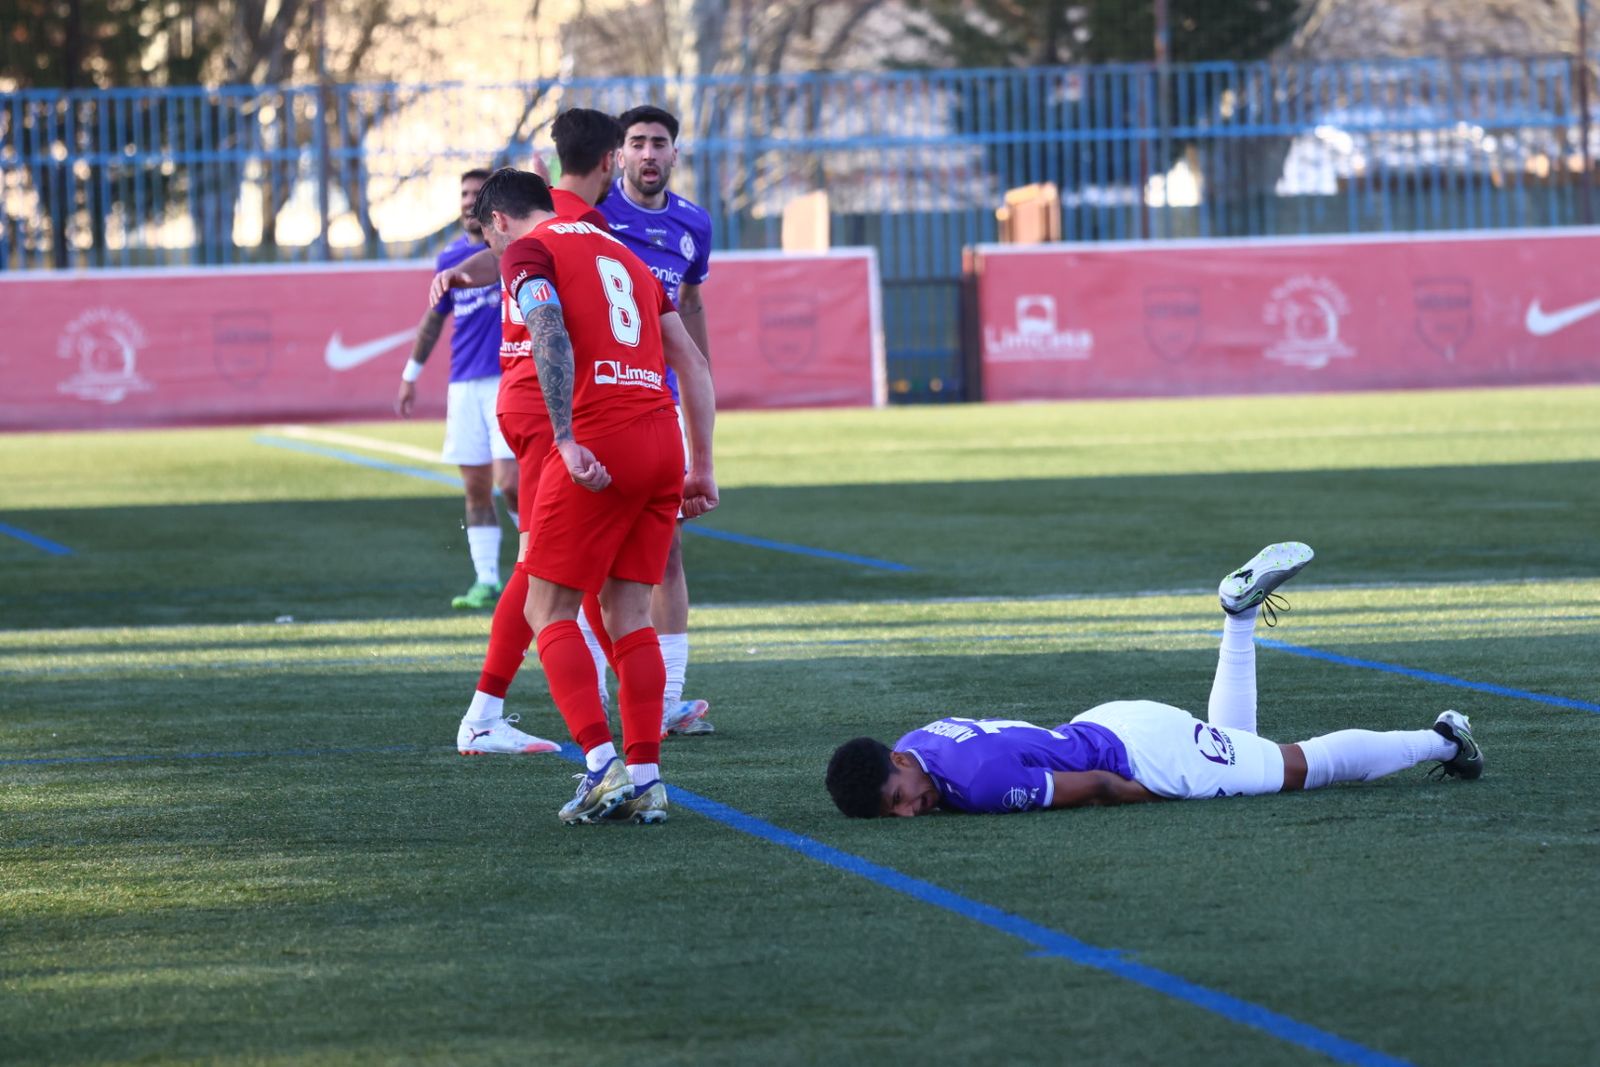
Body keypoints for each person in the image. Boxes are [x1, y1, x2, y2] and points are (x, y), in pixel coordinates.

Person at [825, 542, 1485, 818]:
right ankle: (1241, 615)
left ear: (900, 759)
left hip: (1142, 753)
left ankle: (1445, 739)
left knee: (1296, 768)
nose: (909, 810)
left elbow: (1105, 788)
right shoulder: (919, 740)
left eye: (899, 795)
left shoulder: (981, 787)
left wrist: (1174, 791)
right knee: (1239, 745)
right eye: (895, 812)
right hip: (1109, 720)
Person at [476, 166, 717, 824]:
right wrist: (704, 466)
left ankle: (600, 765)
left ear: (499, 220)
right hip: (660, 440)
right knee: (629, 614)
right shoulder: (626, 254)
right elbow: (691, 361)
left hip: (600, 437)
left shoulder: (530, 248)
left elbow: (547, 331)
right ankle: (647, 779)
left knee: (546, 606)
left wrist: (564, 434)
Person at [440, 110, 624, 757]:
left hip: (528, 402)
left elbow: (512, 262)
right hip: (549, 408)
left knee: (544, 560)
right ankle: (501, 710)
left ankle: (489, 709)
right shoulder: (575, 225)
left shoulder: (539, 231)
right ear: (612, 160)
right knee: (547, 565)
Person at [599, 103, 718, 736]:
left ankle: (667, 697)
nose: (649, 153)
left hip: (659, 403)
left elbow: (692, 303)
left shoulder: (694, 224)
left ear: (675, 154)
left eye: (659, 143)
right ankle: (593, 689)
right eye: (638, 142)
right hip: (598, 402)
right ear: (618, 155)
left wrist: (702, 374)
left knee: (666, 551)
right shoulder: (594, 218)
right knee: (591, 554)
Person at [396, 167, 518, 611]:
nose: (469, 200)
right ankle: (487, 581)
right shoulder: (447, 258)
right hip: (464, 385)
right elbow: (434, 319)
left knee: (511, 483)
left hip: (509, 379)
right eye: (464, 193)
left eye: (477, 193)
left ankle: (532, 572)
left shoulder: (513, 253)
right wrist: (411, 373)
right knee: (476, 489)